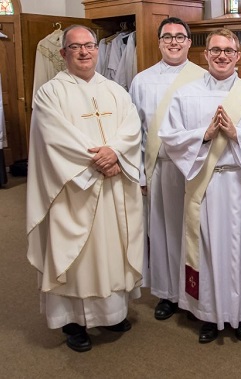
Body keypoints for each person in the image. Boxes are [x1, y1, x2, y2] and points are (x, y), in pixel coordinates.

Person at [26, 25, 143, 353]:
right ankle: (74, 321)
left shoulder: (116, 91)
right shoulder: (50, 93)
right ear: (63, 53)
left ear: (97, 50)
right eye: (75, 47)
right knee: (77, 254)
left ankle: (112, 313)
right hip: (74, 189)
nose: (84, 52)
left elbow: (131, 128)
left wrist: (116, 152)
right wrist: (101, 160)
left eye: (89, 46)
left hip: (111, 186)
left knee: (111, 249)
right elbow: (55, 137)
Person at [159, 28, 241, 344]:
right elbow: (169, 137)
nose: (222, 56)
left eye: (229, 51)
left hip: (239, 180)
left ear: (238, 57)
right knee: (205, 248)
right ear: (205, 55)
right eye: (216, 50)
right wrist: (204, 135)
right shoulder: (185, 94)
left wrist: (236, 134)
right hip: (203, 184)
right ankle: (208, 315)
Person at [129, 17, 206, 321]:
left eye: (180, 37)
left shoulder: (204, 77)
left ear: (189, 42)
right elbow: (134, 131)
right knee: (161, 231)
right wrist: (138, 173)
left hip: (195, 168)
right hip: (158, 167)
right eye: (167, 37)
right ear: (159, 42)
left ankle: (196, 290)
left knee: (194, 231)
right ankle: (167, 293)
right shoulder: (141, 81)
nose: (174, 42)